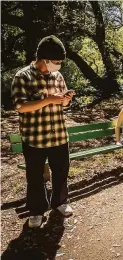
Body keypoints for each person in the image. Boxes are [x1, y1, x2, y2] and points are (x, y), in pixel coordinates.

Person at [11, 35, 75, 228]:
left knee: (61, 172)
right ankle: (37, 211)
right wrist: (48, 99)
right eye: (57, 62)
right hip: (35, 138)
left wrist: (65, 100)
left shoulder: (58, 76)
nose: (59, 66)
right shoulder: (23, 76)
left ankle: (60, 202)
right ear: (44, 59)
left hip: (59, 135)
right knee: (36, 176)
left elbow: (61, 104)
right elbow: (20, 106)